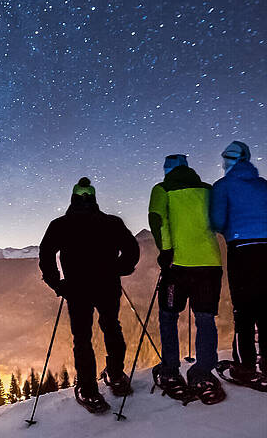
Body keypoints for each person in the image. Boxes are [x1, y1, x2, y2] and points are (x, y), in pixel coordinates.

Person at [39, 177, 140, 413]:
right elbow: (132, 250)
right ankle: (115, 376)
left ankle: (88, 389)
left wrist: (57, 284)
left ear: (72, 199)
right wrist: (119, 268)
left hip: (77, 290)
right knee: (112, 327)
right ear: (94, 199)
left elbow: (46, 255)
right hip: (108, 286)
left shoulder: (60, 225)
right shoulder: (111, 223)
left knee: (82, 338)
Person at [148, 154, 225, 404]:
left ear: (167, 170)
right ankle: (202, 373)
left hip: (178, 266)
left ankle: (170, 369)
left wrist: (166, 252)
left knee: (168, 315)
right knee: (205, 318)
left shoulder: (162, 189)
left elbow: (158, 220)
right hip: (210, 264)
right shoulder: (207, 189)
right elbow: (219, 221)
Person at [210, 141, 267, 391]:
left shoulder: (222, 187)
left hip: (241, 251)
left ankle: (246, 367)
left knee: (243, 310)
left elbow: (217, 220)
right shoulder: (263, 185)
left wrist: (231, 230)